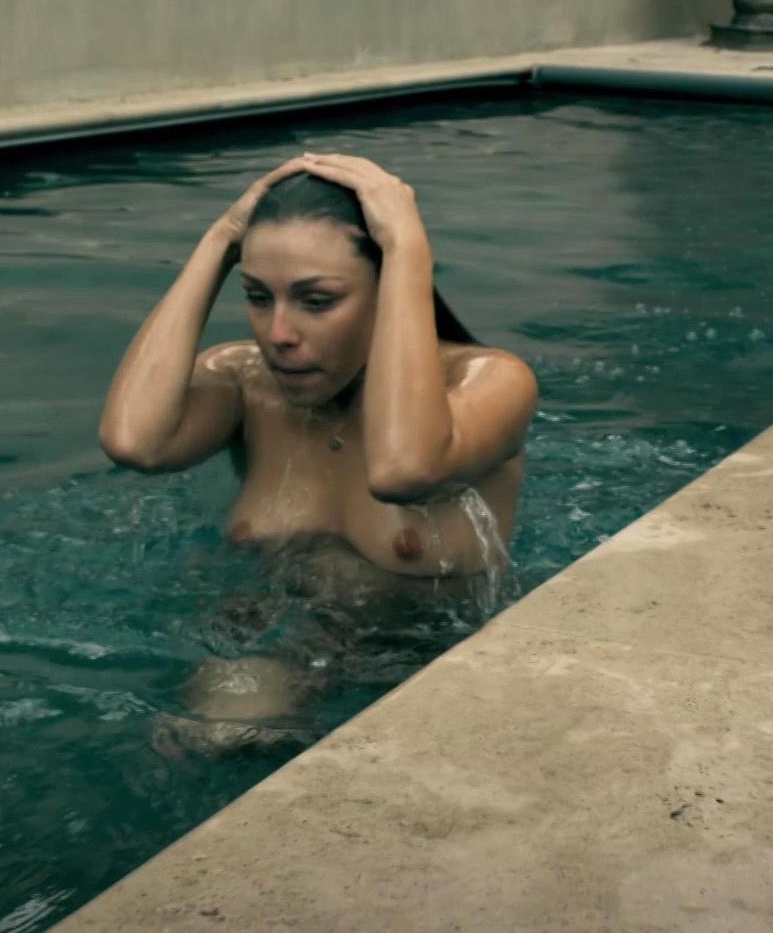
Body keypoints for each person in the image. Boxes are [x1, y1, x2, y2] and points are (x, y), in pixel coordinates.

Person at [98, 152, 537, 753]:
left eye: (317, 301)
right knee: (212, 729)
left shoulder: (489, 383)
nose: (278, 334)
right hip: (264, 646)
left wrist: (406, 245)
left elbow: (403, 468)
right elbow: (135, 442)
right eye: (258, 297)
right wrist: (220, 238)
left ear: (389, 291)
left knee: (225, 725)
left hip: (424, 674)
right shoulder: (247, 383)